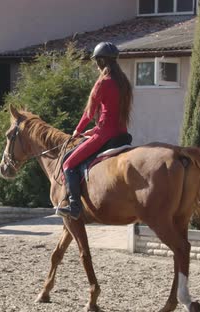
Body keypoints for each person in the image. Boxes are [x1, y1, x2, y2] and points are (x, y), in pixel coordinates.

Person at [55, 41, 133, 220]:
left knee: (68, 163)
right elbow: (113, 115)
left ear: (101, 62)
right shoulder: (124, 83)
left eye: (96, 62)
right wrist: (95, 130)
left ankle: (74, 206)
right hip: (121, 135)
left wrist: (78, 131)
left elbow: (89, 112)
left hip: (105, 135)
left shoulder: (103, 82)